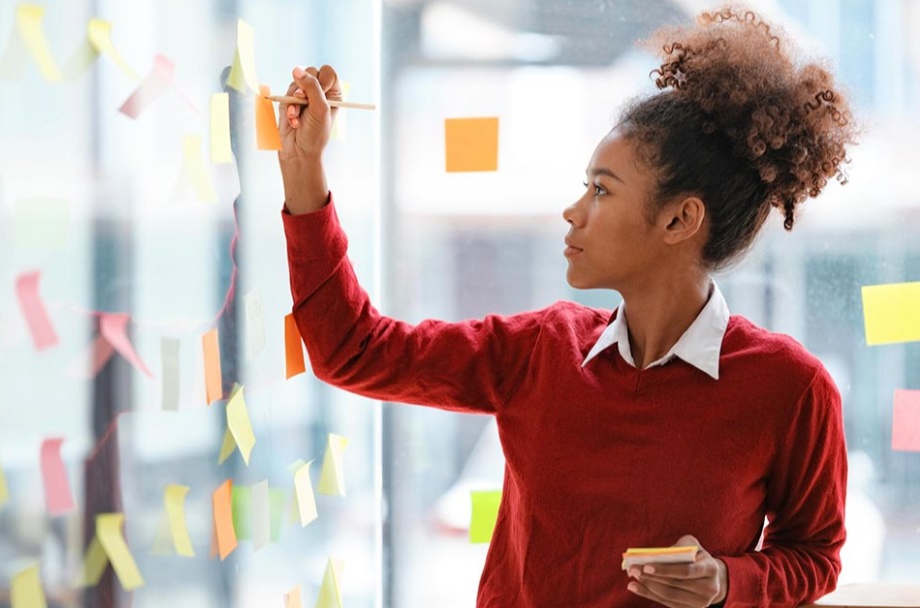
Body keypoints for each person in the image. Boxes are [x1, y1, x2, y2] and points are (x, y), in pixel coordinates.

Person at [275, 6, 857, 607]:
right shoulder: (538, 351)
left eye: (601, 189)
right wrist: (303, 171)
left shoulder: (791, 389)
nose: (573, 210)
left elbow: (815, 554)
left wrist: (729, 581)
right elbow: (352, 350)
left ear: (680, 219)